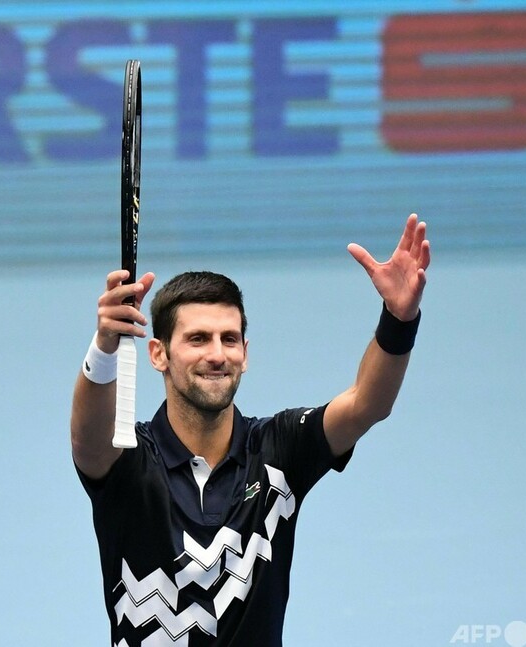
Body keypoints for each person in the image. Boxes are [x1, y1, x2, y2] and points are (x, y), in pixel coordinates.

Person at [71, 214, 430, 646]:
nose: (217, 355)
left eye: (229, 339)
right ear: (158, 354)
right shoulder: (130, 459)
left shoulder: (279, 448)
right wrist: (104, 347)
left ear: (245, 352)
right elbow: (87, 440)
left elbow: (367, 404)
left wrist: (399, 320)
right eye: (198, 339)